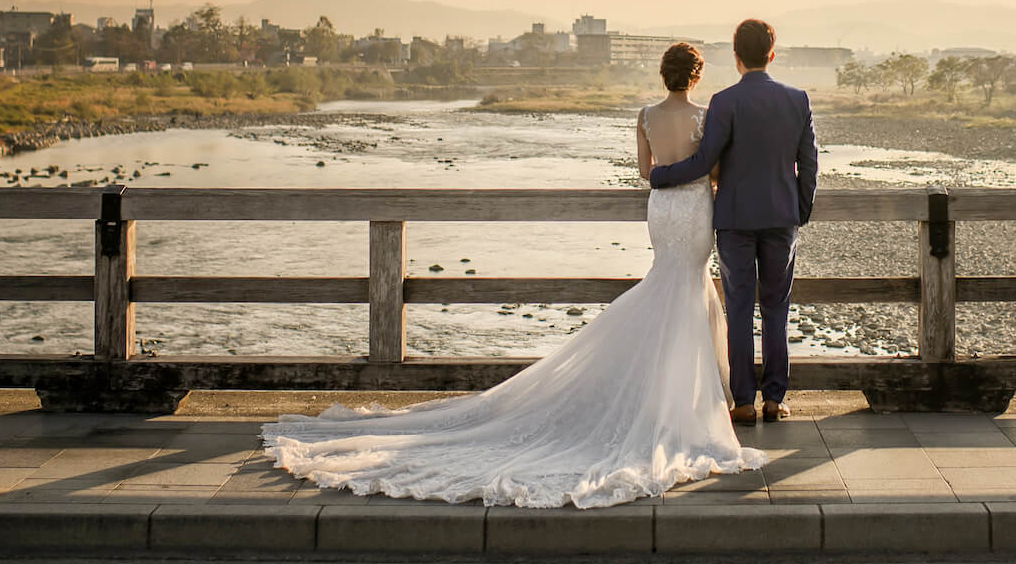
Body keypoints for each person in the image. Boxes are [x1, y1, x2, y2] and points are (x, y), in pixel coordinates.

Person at [261, 41, 765, 508]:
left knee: (667, 284)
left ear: (664, 75)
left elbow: (643, 170)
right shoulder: (705, 116)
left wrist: (667, 179)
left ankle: (655, 392)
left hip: (662, 210)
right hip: (696, 210)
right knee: (689, 287)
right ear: (695, 77)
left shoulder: (645, 116)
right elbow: (712, 171)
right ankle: (682, 401)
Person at [649, 18, 819, 425]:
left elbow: (705, 162)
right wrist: (801, 210)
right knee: (777, 307)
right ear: (771, 55)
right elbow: (809, 162)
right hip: (781, 217)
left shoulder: (724, 102)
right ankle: (775, 399)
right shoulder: (798, 100)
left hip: (735, 219)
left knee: (739, 308)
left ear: (736, 56)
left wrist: (660, 175)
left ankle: (743, 400)